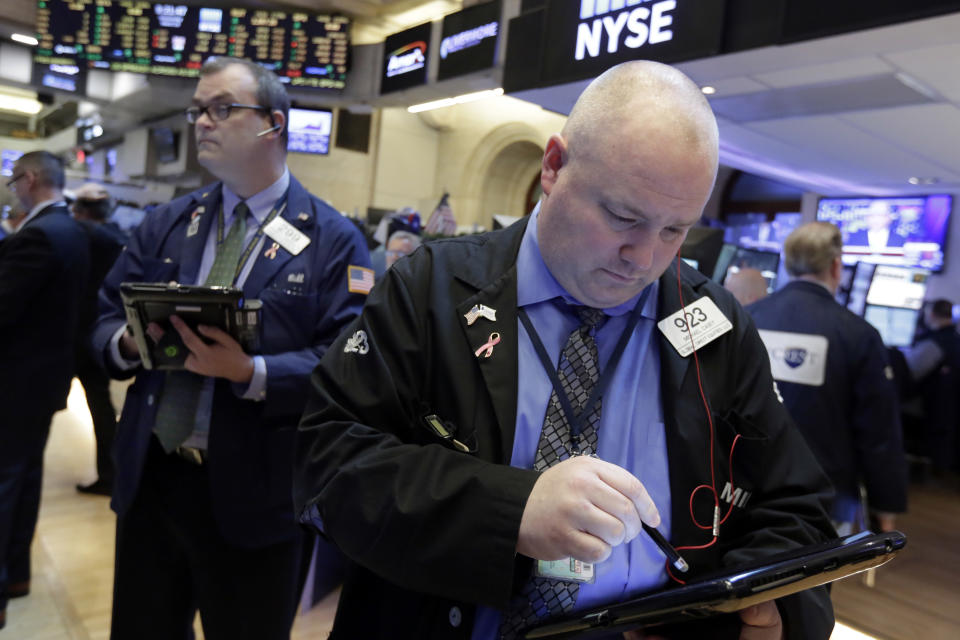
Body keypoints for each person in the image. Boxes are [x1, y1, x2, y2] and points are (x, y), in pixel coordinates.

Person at [295, 61, 835, 640]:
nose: (645, 258)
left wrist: (775, 606)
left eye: (676, 230)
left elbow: (796, 508)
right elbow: (329, 464)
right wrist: (511, 512)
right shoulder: (431, 288)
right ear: (553, 166)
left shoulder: (713, 325)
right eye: (623, 217)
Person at [91, 56, 371, 640]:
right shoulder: (168, 222)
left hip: (255, 497)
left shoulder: (332, 238)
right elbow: (103, 316)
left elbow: (348, 364)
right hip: (153, 483)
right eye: (198, 111)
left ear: (273, 123)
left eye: (221, 109)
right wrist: (127, 339)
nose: (202, 123)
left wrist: (252, 371)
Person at [748, 222, 907, 534]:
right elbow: (878, 431)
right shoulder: (858, 334)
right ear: (836, 266)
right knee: (814, 579)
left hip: (745, 481)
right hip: (824, 496)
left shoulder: (748, 317)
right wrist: (885, 503)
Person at [0, 151, 90, 629]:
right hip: (45, 380)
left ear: (30, 179)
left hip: (15, 381)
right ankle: (16, 576)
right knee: (23, 479)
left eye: (14, 181)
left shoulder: (37, 235)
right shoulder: (71, 228)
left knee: (4, 483)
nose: (12, 189)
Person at [72, 182, 127, 496]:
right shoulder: (119, 238)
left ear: (80, 211)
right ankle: (110, 473)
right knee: (101, 407)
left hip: (77, 334)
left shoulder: (86, 236)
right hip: (102, 335)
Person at [901, 299, 960, 473]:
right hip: (945, 412)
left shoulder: (934, 343)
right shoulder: (954, 340)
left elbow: (910, 372)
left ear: (932, 314)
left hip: (926, 408)